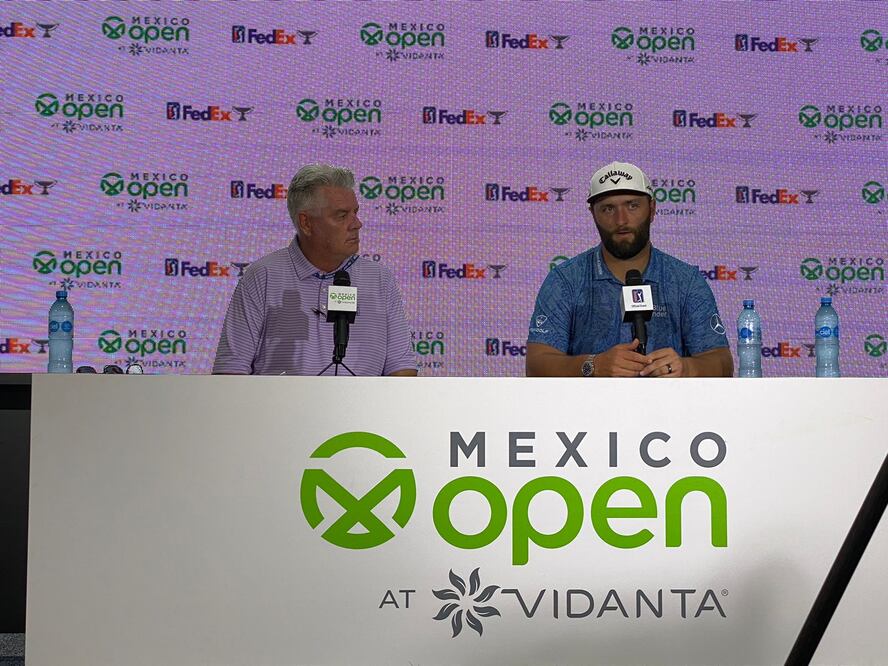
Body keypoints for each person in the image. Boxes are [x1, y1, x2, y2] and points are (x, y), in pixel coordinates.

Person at [526, 161, 732, 378]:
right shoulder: (566, 280)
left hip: (669, 410)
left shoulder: (685, 280)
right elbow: (536, 364)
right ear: (593, 214)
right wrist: (592, 366)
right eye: (608, 209)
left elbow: (722, 362)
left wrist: (687, 368)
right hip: (586, 410)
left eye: (632, 205)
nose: (621, 220)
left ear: (652, 209)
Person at [213, 164, 417, 376]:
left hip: (361, 409)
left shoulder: (379, 279)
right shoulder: (263, 276)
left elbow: (401, 367)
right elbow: (231, 370)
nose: (357, 224)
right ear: (306, 223)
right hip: (281, 408)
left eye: (355, 213)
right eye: (341, 215)